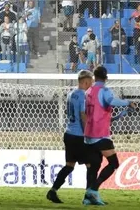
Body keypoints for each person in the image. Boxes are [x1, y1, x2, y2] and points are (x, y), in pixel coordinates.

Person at [83, 66, 133, 206]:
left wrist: (120, 115)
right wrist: (127, 102)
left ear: (94, 77)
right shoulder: (104, 90)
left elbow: (97, 114)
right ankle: (93, 190)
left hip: (88, 135)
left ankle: (87, 197)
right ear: (106, 78)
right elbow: (111, 101)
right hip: (100, 135)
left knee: (94, 167)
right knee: (113, 163)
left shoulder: (88, 91)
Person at [47, 70, 94, 203]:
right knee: (90, 165)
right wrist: (87, 134)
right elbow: (83, 115)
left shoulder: (70, 94)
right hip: (79, 135)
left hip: (69, 134)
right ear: (86, 82)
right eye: (91, 81)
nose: (92, 84)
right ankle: (89, 196)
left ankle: (53, 191)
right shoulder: (83, 95)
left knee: (69, 165)